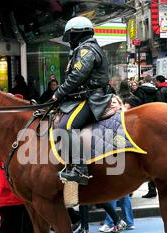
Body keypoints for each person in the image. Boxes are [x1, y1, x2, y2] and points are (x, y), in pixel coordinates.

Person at [52, 16, 113, 185]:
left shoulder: (87, 50)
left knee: (66, 126)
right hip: (84, 97)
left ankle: (80, 169)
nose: (70, 41)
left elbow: (77, 76)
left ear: (78, 35)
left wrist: (59, 92)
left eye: (70, 37)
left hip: (93, 99)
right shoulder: (85, 49)